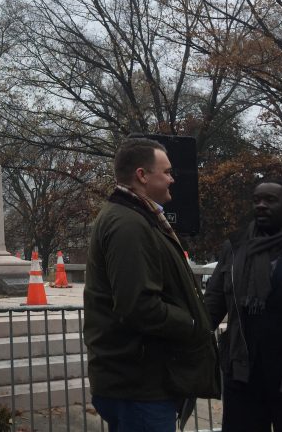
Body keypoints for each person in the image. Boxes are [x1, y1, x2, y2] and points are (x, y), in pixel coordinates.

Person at [84, 138, 219, 431]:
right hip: (139, 386)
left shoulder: (137, 218)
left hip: (139, 381)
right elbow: (138, 306)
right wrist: (194, 323)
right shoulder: (129, 225)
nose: (172, 178)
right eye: (167, 172)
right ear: (142, 176)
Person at [204, 178, 282, 432]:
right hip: (244, 374)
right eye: (256, 200)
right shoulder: (236, 248)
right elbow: (212, 305)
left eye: (270, 200)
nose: (260, 205)